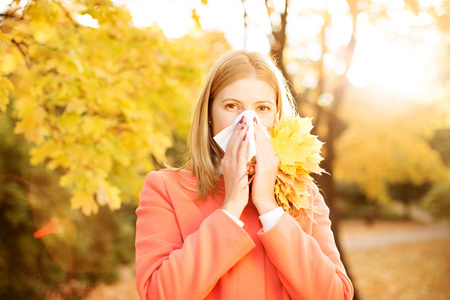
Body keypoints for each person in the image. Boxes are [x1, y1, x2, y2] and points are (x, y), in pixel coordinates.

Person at [135, 49, 354, 299]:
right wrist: (231, 207)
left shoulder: (305, 196)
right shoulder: (164, 189)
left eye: (262, 108)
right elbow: (158, 294)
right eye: (231, 106)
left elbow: (335, 295)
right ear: (209, 114)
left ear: (277, 118)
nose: (247, 121)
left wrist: (269, 207)